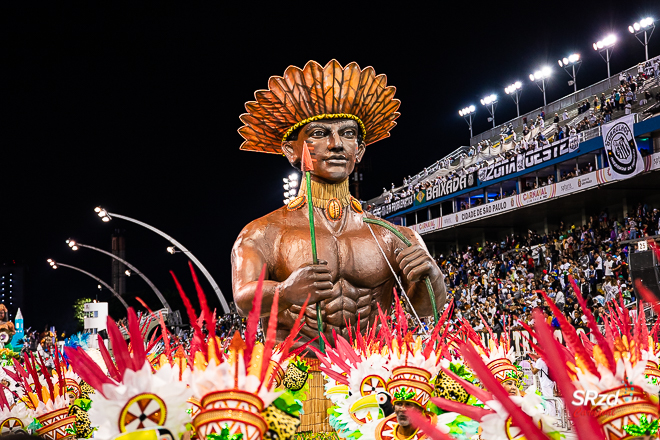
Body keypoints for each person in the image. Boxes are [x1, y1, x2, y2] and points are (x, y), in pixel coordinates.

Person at [232, 60, 446, 348]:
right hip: (299, 370)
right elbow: (244, 300)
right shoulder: (263, 232)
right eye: (319, 134)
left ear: (359, 150)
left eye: (348, 133)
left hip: (372, 373)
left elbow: (426, 310)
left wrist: (431, 276)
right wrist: (285, 291)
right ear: (291, 150)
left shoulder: (393, 235)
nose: (337, 144)